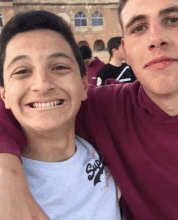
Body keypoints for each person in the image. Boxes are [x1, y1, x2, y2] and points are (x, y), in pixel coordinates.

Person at [0, 0, 178, 219]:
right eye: (139, 28)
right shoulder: (108, 108)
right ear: (126, 51)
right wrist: (8, 182)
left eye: (173, 20)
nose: (156, 39)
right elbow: (23, 99)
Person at [0, 10, 121, 220]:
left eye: (59, 67)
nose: (42, 85)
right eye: (22, 71)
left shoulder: (103, 138)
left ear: (84, 84)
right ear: (4, 95)